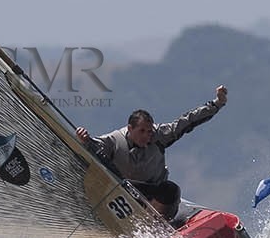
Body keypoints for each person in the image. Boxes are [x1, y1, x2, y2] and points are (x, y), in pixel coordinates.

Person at [75, 85, 228, 219]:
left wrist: (216, 104)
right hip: (126, 196)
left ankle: (156, 226)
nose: (147, 135)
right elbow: (90, 147)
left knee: (171, 189)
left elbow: (188, 121)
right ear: (130, 128)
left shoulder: (159, 135)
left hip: (157, 196)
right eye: (141, 131)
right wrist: (84, 139)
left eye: (149, 131)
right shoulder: (113, 141)